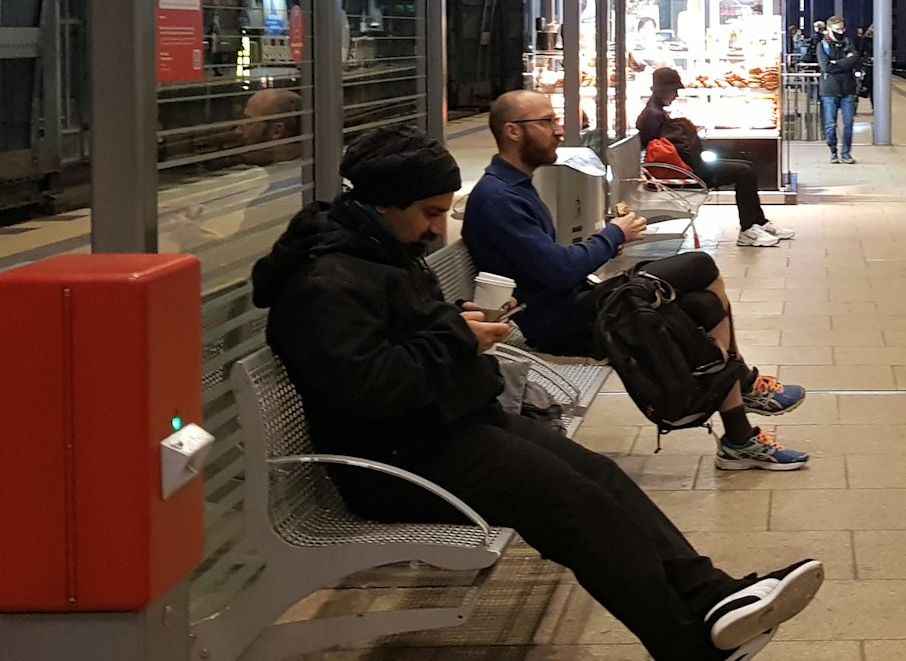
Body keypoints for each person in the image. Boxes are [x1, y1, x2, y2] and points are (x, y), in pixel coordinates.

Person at [254, 126, 825, 661]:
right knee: (573, 505)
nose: (436, 229)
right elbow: (367, 386)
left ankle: (713, 596)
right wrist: (456, 336)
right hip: (398, 460)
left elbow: (402, 343)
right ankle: (692, 643)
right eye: (429, 213)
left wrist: (457, 326)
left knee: (598, 477)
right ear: (383, 206)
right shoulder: (323, 284)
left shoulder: (377, 254)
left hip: (444, 426)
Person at [462, 89, 807, 430]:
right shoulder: (499, 199)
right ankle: (742, 384)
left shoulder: (514, 188)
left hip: (573, 305)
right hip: (558, 323)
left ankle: (739, 435)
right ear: (513, 131)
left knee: (703, 305)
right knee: (699, 266)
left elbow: (551, 266)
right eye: (547, 121)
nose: (559, 129)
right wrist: (614, 235)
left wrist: (611, 241)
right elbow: (560, 269)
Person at [637, 69, 795, 247]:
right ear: (661, 90)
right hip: (685, 171)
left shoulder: (656, 111)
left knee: (747, 167)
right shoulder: (652, 115)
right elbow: (656, 151)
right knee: (744, 172)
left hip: (688, 166)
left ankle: (758, 222)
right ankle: (748, 228)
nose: (675, 95)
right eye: (674, 90)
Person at [817, 16, 862, 164]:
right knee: (831, 124)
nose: (841, 32)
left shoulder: (848, 42)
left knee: (848, 123)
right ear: (829, 29)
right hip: (829, 90)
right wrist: (846, 62)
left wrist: (836, 63)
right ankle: (833, 151)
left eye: (842, 29)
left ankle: (846, 153)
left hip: (847, 89)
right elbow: (826, 67)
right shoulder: (822, 45)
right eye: (837, 30)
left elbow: (856, 59)